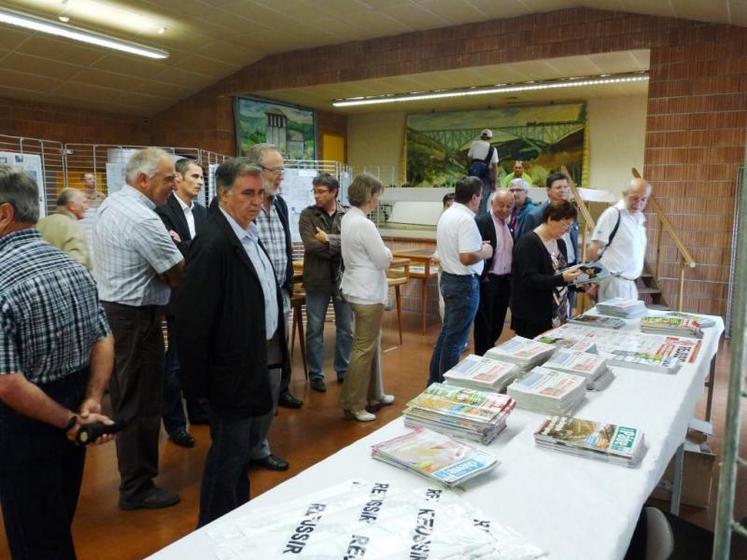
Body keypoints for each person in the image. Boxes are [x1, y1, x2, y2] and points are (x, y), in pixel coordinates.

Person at [0, 165, 115, 558]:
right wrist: (91, 402)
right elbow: (103, 337)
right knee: (56, 519)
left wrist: (69, 420)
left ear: (4, 214)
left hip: (25, 422)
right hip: (73, 408)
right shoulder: (72, 267)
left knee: (34, 535)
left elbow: (7, 383)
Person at [175, 159, 281, 527]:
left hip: (252, 361)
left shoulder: (246, 234)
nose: (256, 201)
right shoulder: (214, 243)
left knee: (240, 458)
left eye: (260, 193)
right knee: (228, 458)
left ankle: (236, 524)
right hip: (228, 372)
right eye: (247, 193)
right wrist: (199, 388)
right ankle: (212, 534)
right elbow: (192, 321)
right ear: (223, 194)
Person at [92, 147, 184, 511]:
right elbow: (177, 274)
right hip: (135, 318)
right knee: (140, 402)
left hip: (118, 314)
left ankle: (136, 479)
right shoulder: (143, 219)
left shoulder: (115, 204)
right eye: (168, 179)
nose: (173, 185)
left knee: (130, 397)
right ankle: (137, 487)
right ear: (142, 179)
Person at [155, 158, 209, 448]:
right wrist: (190, 248)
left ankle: (199, 412)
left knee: (198, 357)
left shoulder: (203, 212)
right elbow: (171, 253)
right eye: (194, 176)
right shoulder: (162, 212)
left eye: (202, 177)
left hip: (201, 296)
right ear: (177, 178)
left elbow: (206, 251)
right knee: (174, 365)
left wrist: (186, 246)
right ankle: (175, 424)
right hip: (177, 297)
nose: (200, 181)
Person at [339, 173, 394, 422]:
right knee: (363, 348)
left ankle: (375, 394)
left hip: (356, 289)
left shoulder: (349, 218)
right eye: (377, 195)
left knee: (370, 345)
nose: (378, 199)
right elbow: (382, 259)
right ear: (370, 196)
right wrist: (387, 253)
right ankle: (354, 404)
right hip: (367, 292)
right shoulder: (364, 224)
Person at [428, 176, 493, 385]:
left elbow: (459, 248)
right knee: (455, 342)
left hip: (449, 278)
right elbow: (466, 258)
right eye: (481, 196)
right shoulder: (466, 219)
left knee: (446, 336)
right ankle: (446, 388)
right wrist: (484, 251)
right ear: (475, 197)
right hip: (463, 284)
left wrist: (476, 246)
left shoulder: (448, 214)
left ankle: (434, 382)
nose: (481, 200)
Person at [299, 173, 352, 393]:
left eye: (321, 191)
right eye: (315, 191)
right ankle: (316, 374)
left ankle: (343, 370)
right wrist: (339, 245)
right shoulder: (307, 215)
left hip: (343, 281)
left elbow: (354, 244)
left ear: (334, 192)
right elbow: (310, 245)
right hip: (317, 280)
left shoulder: (348, 215)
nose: (317, 195)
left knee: (345, 329)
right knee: (314, 329)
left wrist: (328, 239)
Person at [510, 201, 583, 339]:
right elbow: (530, 279)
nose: (567, 230)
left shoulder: (560, 243)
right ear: (550, 219)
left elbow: (562, 272)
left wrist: (581, 279)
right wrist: (561, 279)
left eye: (570, 226)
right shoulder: (528, 243)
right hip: (534, 312)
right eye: (565, 225)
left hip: (557, 310)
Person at [587, 178, 652, 301]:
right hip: (613, 282)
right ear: (624, 195)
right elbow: (593, 250)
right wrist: (591, 283)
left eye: (643, 199)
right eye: (634, 198)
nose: (639, 203)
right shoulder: (613, 214)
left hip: (630, 283)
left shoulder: (638, 219)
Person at [474, 190, 514, 355]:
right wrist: (482, 276)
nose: (505, 209)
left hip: (505, 281)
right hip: (488, 280)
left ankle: (489, 351)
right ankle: (482, 356)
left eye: (509, 206)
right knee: (484, 324)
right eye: (501, 205)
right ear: (492, 204)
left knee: (498, 322)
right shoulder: (481, 221)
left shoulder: (509, 223)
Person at [37, 187, 92, 270]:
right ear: (72, 206)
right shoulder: (73, 226)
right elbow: (77, 264)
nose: (87, 207)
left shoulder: (40, 223)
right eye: (84, 202)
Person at [467, 129, 498, 215]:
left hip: (473, 176)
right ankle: (481, 220)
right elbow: (494, 168)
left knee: (471, 198)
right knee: (483, 200)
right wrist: (494, 183)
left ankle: (471, 216)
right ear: (490, 138)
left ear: (481, 136)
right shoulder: (493, 149)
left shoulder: (474, 144)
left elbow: (469, 157)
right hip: (485, 177)